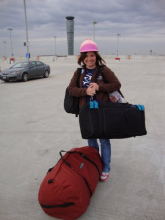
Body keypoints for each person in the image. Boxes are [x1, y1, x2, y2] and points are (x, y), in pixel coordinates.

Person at [68, 38, 121, 182]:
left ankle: (105, 167)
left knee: (104, 140)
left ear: (96, 56)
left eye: (92, 55)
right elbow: (71, 89)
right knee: (91, 140)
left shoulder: (104, 70)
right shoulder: (78, 73)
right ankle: (94, 164)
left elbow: (116, 84)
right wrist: (85, 92)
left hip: (102, 112)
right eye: (86, 55)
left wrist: (99, 87)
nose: (89, 58)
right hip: (86, 113)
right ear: (82, 58)